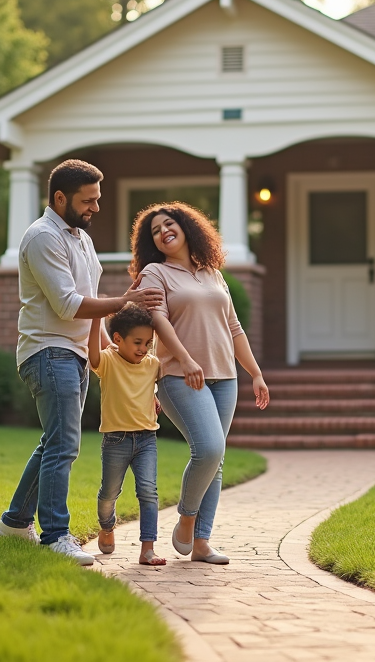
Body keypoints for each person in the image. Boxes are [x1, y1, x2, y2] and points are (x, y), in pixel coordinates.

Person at [0, 159, 163, 565]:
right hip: (48, 351)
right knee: (64, 446)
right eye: (88, 201)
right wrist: (128, 301)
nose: (96, 209)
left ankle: (14, 522)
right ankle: (55, 536)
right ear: (60, 198)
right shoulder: (42, 238)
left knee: (53, 443)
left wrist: (114, 362)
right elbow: (69, 306)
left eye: (98, 200)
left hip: (76, 354)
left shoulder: (81, 238)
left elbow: (93, 310)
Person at [130, 202, 270, 565]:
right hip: (180, 375)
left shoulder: (212, 273)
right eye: (155, 231)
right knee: (208, 449)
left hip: (225, 376)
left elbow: (234, 328)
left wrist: (254, 373)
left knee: (216, 458)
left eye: (168, 223)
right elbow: (159, 321)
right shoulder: (154, 273)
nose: (162, 232)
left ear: (187, 226)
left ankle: (202, 542)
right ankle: (187, 520)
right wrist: (186, 359)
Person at [88, 303, 166, 567]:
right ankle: (107, 527)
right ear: (118, 339)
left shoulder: (153, 364)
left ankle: (147, 549)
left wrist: (155, 398)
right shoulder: (108, 360)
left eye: (148, 343)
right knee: (110, 493)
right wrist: (96, 317)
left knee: (148, 492)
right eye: (137, 342)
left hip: (146, 439)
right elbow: (93, 357)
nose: (143, 349)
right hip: (115, 440)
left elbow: (148, 388)